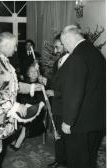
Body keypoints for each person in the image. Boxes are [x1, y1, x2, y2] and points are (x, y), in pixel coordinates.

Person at [0, 32, 44, 168]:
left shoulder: (1, 60)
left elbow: (11, 86)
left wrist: (32, 87)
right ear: (6, 45)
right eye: (14, 46)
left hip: (0, 111)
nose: (16, 49)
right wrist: (15, 106)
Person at [49, 25, 106, 168]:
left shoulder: (77, 56)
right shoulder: (96, 53)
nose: (65, 48)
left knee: (78, 162)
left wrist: (68, 121)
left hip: (80, 123)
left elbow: (74, 91)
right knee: (89, 160)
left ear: (68, 39)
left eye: (64, 43)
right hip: (97, 120)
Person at [10, 63, 48, 150]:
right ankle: (14, 138)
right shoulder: (25, 83)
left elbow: (41, 100)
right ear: (28, 73)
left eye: (36, 71)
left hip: (37, 109)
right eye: (31, 71)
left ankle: (18, 143)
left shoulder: (40, 84)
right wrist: (23, 105)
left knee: (26, 122)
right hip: (25, 107)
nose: (34, 73)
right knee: (15, 115)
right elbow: (21, 98)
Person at [47, 33, 69, 168]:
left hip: (67, 107)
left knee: (68, 138)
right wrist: (47, 81)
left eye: (57, 47)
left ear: (64, 44)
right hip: (57, 106)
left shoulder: (74, 61)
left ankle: (68, 161)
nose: (55, 51)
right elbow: (56, 82)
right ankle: (60, 160)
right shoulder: (57, 62)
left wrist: (56, 93)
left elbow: (74, 88)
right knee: (58, 135)